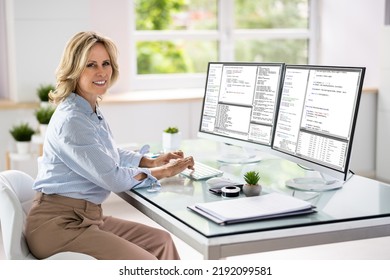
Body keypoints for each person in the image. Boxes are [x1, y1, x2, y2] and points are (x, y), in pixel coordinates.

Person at [24, 31, 194, 260]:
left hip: (87, 216)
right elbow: (113, 178)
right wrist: (162, 171)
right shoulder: (73, 120)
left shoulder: (88, 109)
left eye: (105, 63)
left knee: (161, 241)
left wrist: (150, 161)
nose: (101, 71)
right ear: (74, 70)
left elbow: (107, 154)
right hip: (58, 226)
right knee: (146, 262)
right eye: (91, 65)